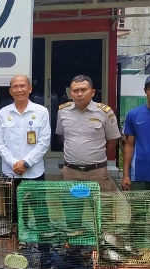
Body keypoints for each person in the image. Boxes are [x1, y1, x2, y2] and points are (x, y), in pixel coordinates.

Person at [56, 75, 121, 232]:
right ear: (70, 93)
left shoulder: (104, 112)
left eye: (83, 90)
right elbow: (62, 136)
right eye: (75, 90)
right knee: (72, 212)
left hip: (96, 173)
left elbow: (112, 141)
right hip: (70, 172)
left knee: (102, 213)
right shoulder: (63, 111)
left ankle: (102, 248)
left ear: (92, 92)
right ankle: (74, 249)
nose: (79, 94)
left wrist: (96, 159)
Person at [0, 75, 51, 224]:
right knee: (13, 213)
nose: (19, 89)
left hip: (34, 172)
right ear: (10, 91)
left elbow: (44, 142)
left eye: (23, 86)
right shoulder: (3, 113)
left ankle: (42, 246)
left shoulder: (41, 111)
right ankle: (17, 244)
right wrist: (14, 163)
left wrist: (26, 162)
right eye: (15, 87)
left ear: (30, 89)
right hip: (10, 172)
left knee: (40, 212)